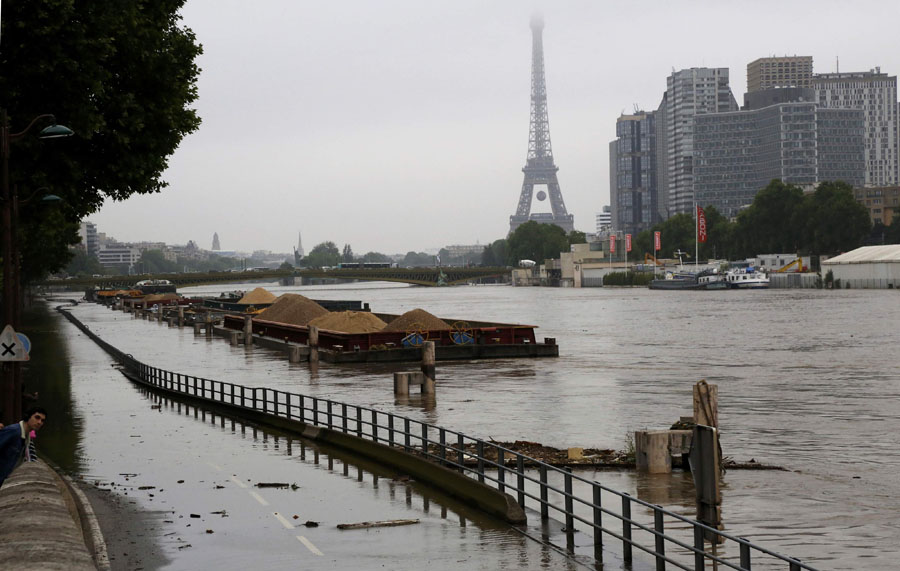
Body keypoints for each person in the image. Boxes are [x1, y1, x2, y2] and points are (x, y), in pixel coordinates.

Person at [0, 407, 47, 488]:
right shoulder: (14, 431)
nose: (39, 422)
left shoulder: (26, 436)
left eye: (42, 420)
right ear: (28, 416)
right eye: (37, 417)